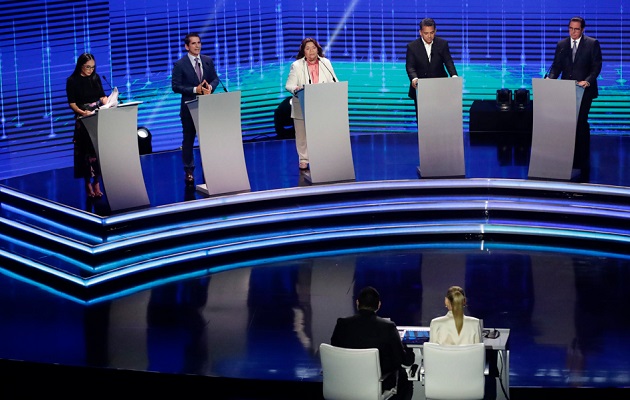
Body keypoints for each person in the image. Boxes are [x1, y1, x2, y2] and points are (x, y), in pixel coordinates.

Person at [331, 286, 414, 399]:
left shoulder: (342, 324)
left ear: (357, 303)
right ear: (379, 305)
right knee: (404, 377)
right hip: (377, 385)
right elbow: (402, 360)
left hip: (344, 383)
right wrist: (408, 350)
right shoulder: (388, 327)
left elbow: (334, 352)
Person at [546, 16, 602, 180]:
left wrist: (588, 81)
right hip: (565, 91)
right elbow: (556, 66)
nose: (573, 32)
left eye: (576, 29)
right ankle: (567, 158)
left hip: (584, 90)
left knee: (581, 122)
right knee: (567, 124)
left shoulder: (592, 44)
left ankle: (581, 158)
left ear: (583, 29)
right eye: (570, 28)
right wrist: (550, 79)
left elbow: (596, 66)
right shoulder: (562, 45)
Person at [172, 32, 219, 186]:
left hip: (207, 107)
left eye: (199, 42)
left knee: (208, 139)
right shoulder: (180, 65)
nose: (197, 45)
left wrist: (210, 87)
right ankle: (189, 170)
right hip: (189, 108)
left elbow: (215, 78)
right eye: (193, 43)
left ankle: (211, 168)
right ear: (187, 46)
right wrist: (195, 90)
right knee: (189, 140)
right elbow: (176, 86)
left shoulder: (207, 60)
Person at [285, 37, 339, 170]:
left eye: (313, 48)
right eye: (307, 48)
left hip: (321, 104)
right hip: (302, 103)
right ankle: (304, 159)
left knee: (322, 132)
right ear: (303, 51)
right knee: (302, 135)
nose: (311, 51)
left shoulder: (325, 62)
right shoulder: (296, 65)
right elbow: (289, 85)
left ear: (318, 49)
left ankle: (323, 156)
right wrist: (296, 89)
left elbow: (335, 81)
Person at [66, 53, 109, 198]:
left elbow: (102, 95)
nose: (90, 70)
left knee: (98, 153)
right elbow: (72, 103)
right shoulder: (72, 81)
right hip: (83, 120)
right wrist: (82, 112)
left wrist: (106, 100)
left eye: (93, 67)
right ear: (80, 65)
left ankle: (97, 182)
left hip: (97, 117)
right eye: (87, 67)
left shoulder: (96, 78)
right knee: (85, 154)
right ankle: (87, 183)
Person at [405, 18, 458, 119]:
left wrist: (454, 76)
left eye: (432, 33)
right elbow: (410, 66)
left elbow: (448, 62)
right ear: (420, 32)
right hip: (420, 89)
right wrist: (414, 78)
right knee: (423, 119)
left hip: (440, 88)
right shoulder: (412, 47)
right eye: (426, 33)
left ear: (435, 31)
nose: (429, 36)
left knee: (440, 118)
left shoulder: (442, 44)